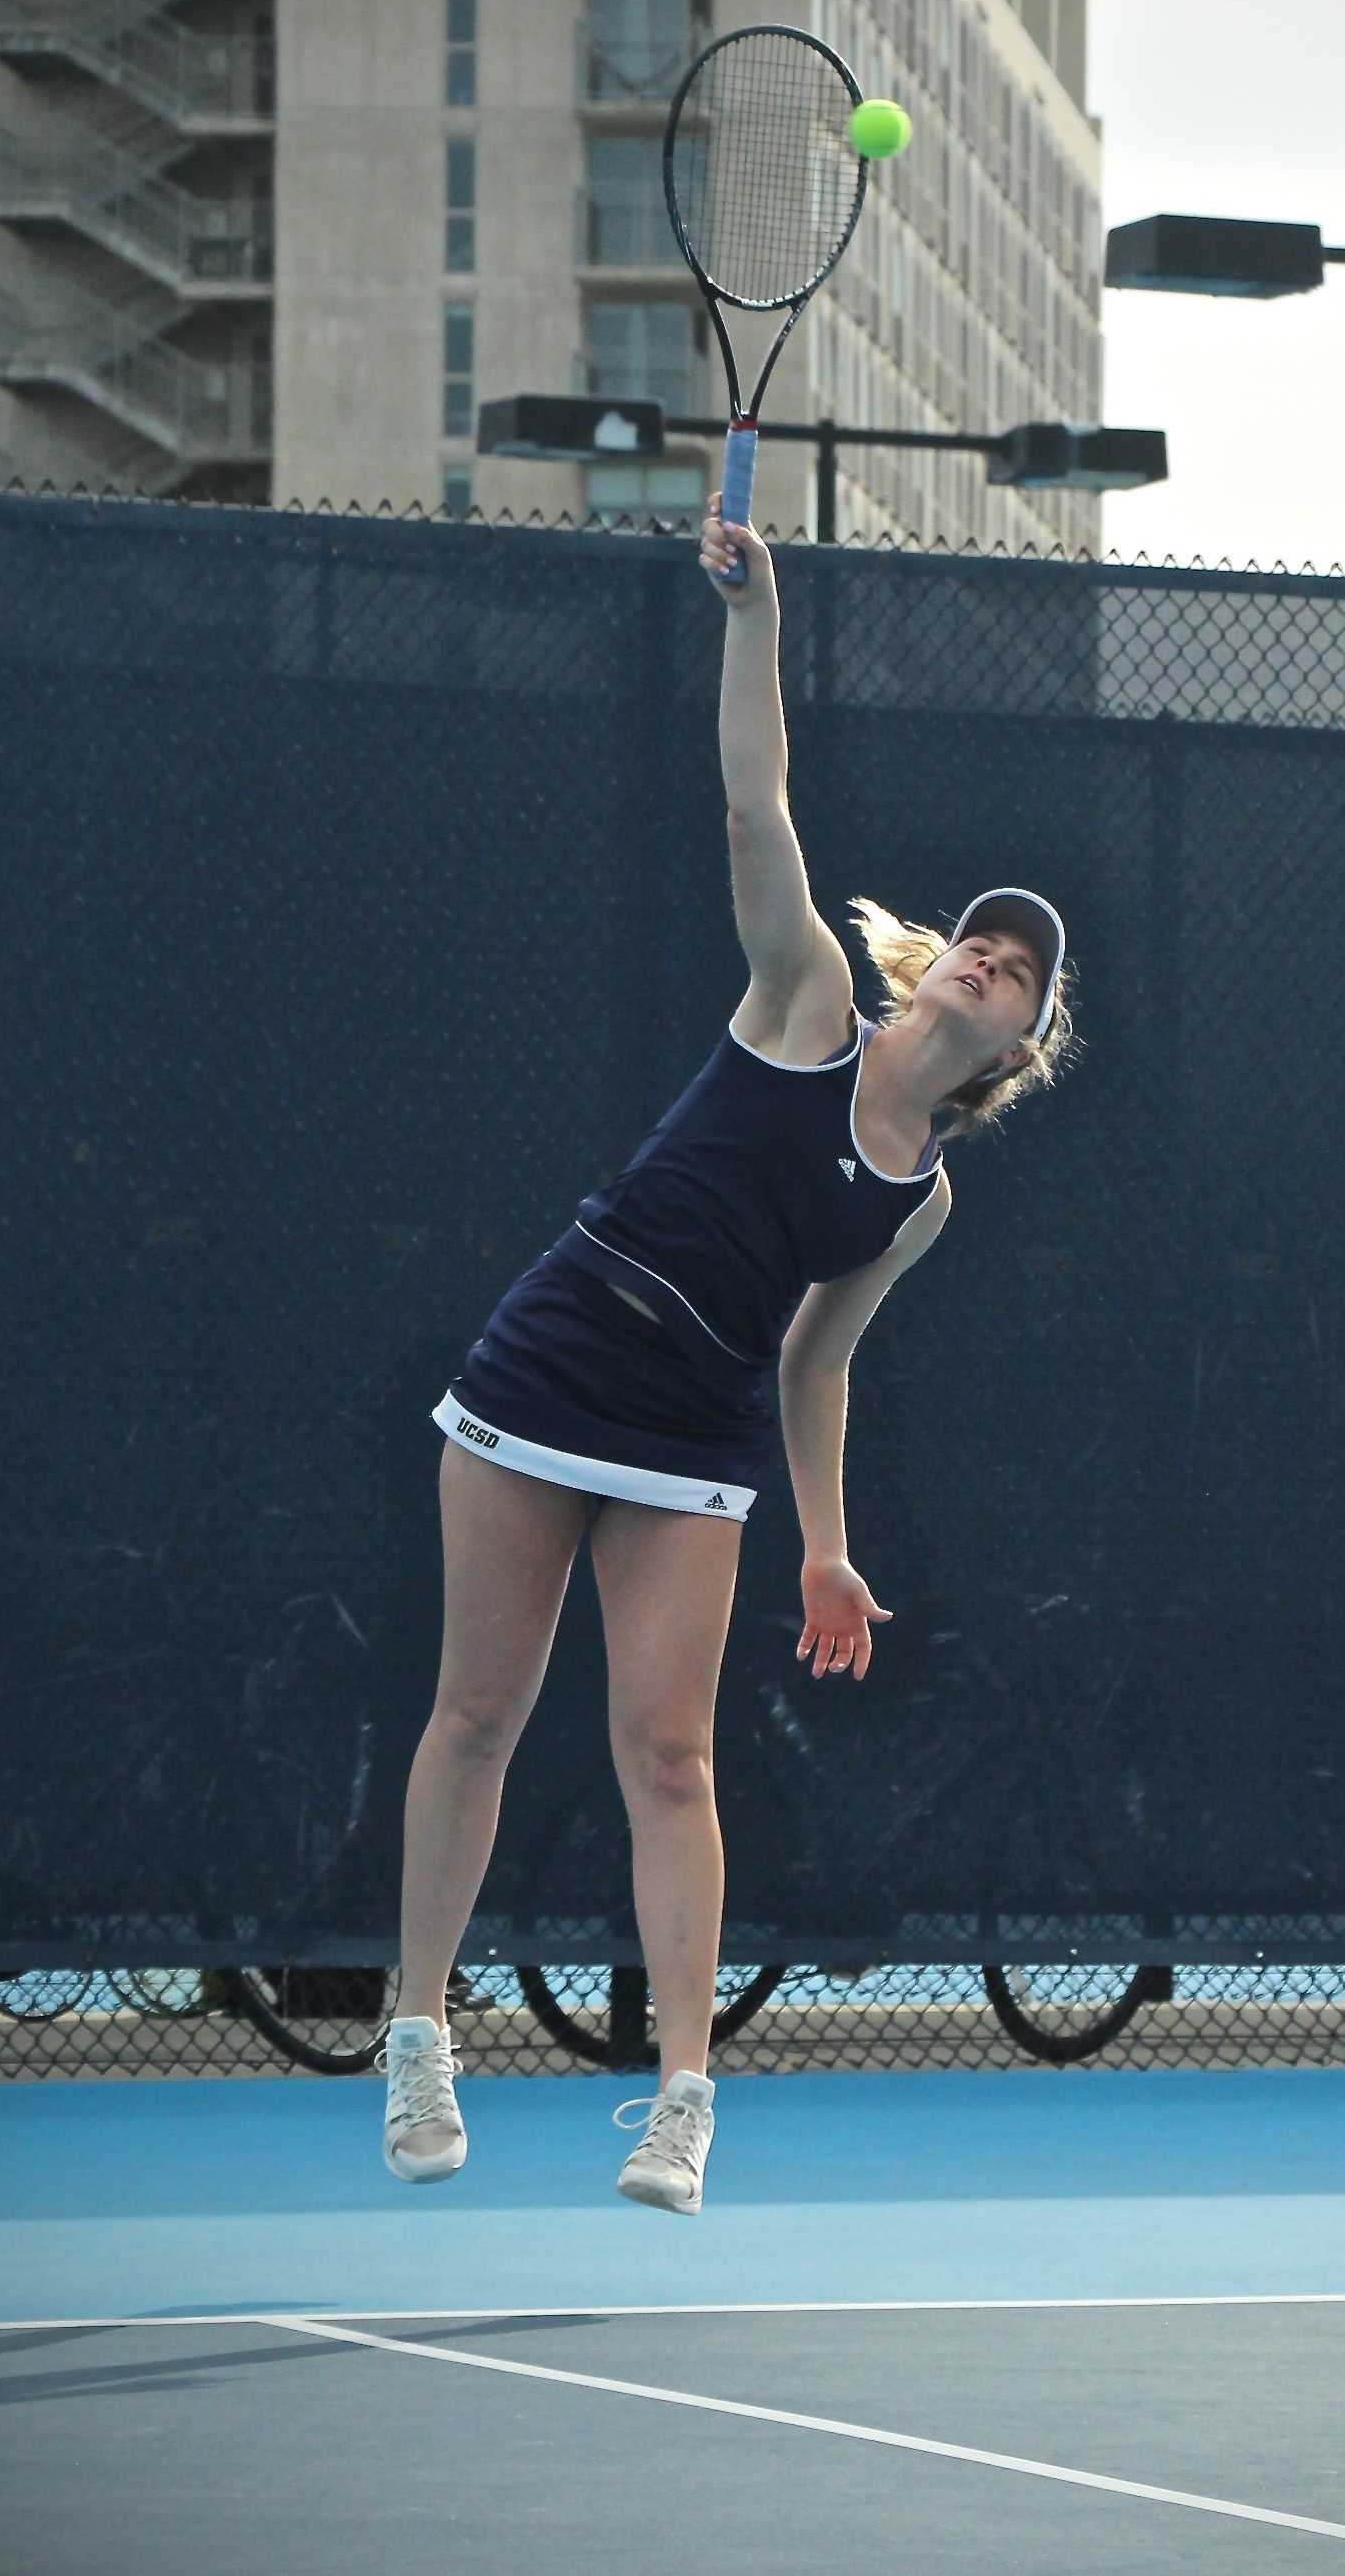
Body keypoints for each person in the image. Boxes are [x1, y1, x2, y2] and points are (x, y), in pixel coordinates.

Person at [380, 495, 1072, 2210]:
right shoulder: (806, 995)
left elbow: (815, 1366)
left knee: (670, 1755)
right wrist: (757, 616)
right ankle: (415, 2034)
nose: (996, 957)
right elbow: (756, 797)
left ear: (1020, 1045)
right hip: (554, 1359)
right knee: (479, 1711)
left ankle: (685, 2096)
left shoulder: (917, 1204)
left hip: (693, 1428)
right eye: (988, 940)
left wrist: (830, 1552)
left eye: (1026, 974)